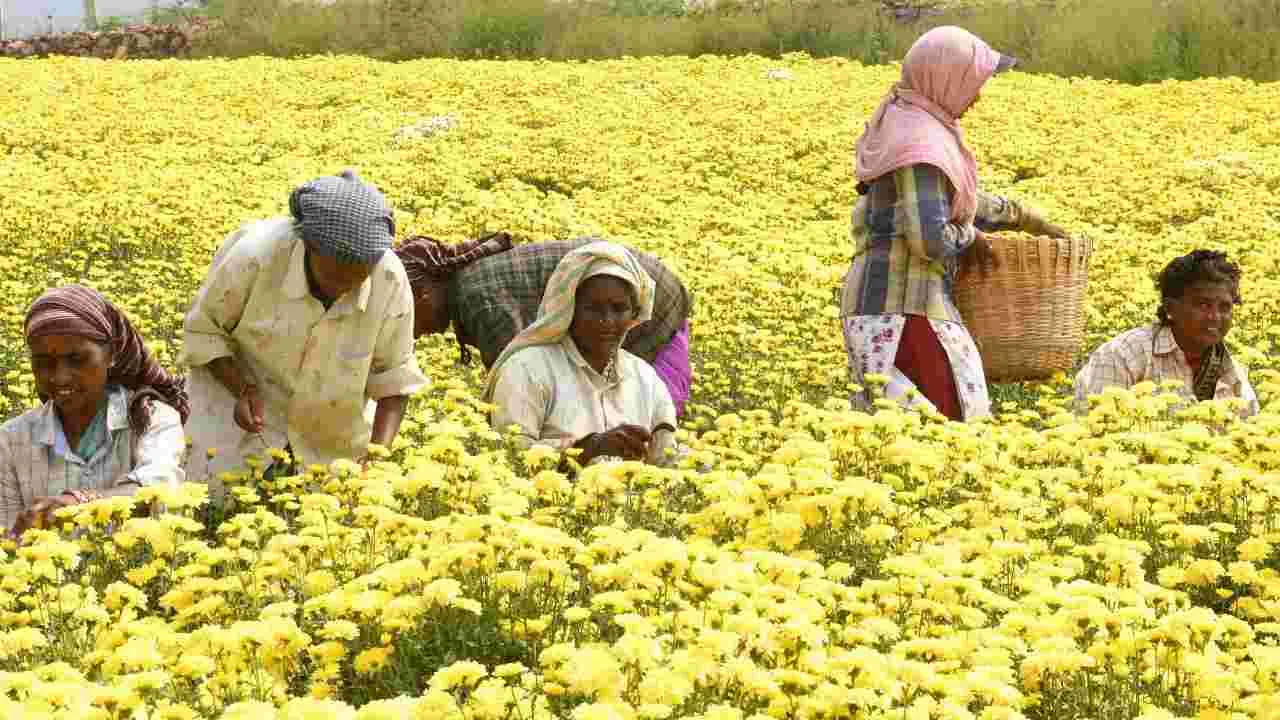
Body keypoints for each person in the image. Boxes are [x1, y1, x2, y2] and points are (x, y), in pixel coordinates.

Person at [841, 25, 1070, 421]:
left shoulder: (911, 124)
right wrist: (972, 236)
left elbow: (949, 202)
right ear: (945, 77)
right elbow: (930, 239)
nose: (978, 96)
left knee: (919, 428)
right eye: (972, 82)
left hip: (898, 306)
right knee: (945, 425)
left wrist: (1022, 217)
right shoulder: (919, 145)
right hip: (902, 309)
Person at [181, 170, 428, 491]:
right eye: (334, 277)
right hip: (234, 430)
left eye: (356, 281)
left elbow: (394, 380)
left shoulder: (390, 279)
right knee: (213, 515)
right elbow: (204, 332)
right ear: (307, 246)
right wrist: (241, 388)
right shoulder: (255, 256)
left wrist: (376, 463)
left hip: (329, 445)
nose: (342, 290)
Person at [396, 234, 694, 415]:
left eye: (405, 316)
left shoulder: (476, 298)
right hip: (629, 276)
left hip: (636, 288)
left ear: (423, 295)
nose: (415, 333)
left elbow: (515, 374)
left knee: (623, 400)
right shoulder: (469, 287)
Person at [1, 285, 189, 537]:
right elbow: (8, 538)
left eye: (77, 359)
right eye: (44, 363)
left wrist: (74, 505)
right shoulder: (11, 440)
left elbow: (158, 489)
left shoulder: (151, 418)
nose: (60, 377)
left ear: (111, 353)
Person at [483, 241, 679, 467]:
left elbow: (667, 461)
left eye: (619, 308)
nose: (606, 321)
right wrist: (588, 448)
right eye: (593, 308)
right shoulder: (528, 369)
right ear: (569, 308)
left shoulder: (645, 377)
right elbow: (511, 457)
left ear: (634, 313)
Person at [1074, 250, 1259, 417]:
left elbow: (1250, 433)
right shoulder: (1123, 355)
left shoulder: (1231, 371)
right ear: (1171, 308)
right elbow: (1095, 425)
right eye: (1203, 305)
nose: (1215, 316)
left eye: (1225, 307)